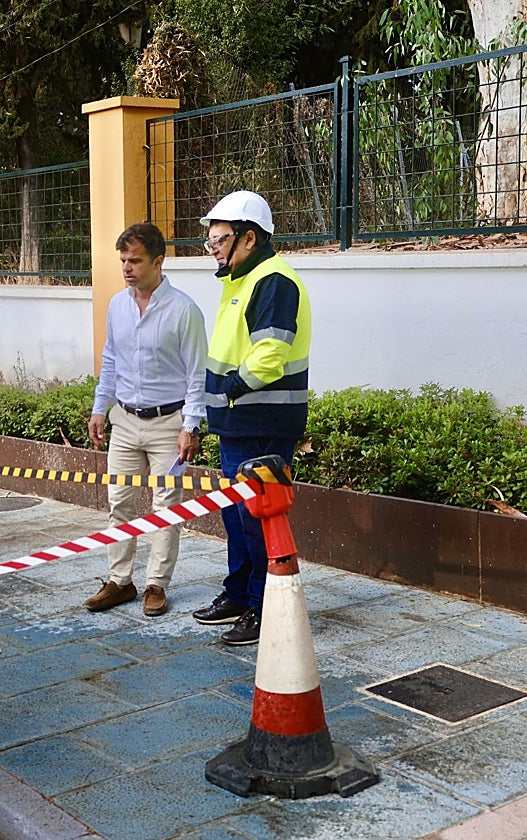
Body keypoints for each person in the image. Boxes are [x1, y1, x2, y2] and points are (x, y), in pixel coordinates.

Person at [191, 190, 312, 646]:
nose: (213, 248)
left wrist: (230, 389)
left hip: (262, 421)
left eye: (220, 239)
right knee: (236, 515)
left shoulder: (273, 280)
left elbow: (270, 355)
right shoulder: (240, 280)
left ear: (250, 238)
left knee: (258, 519)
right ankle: (240, 594)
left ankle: (265, 609)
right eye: (210, 240)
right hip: (238, 423)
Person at [85, 222, 207, 617]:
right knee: (118, 501)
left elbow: (197, 375)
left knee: (165, 507)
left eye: (135, 261)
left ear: (158, 261)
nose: (127, 268)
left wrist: (190, 426)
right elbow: (111, 360)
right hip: (124, 419)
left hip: (168, 422)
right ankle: (120, 581)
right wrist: (100, 408)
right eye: (123, 260)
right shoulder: (117, 306)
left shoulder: (184, 310)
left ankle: (157, 585)